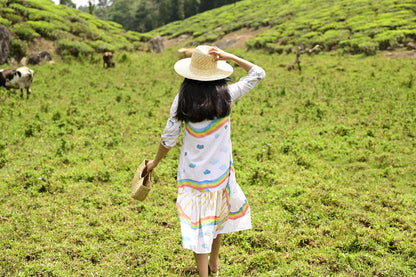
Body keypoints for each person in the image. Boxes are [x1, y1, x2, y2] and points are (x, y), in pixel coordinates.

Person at [146, 45, 265, 277]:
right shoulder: (227, 95)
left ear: (189, 74)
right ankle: (215, 264)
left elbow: (168, 138)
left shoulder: (181, 99)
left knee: (198, 225)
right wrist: (230, 56)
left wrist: (154, 162)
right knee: (217, 218)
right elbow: (258, 73)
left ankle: (205, 273)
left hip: (193, 177)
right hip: (220, 174)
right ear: (217, 71)